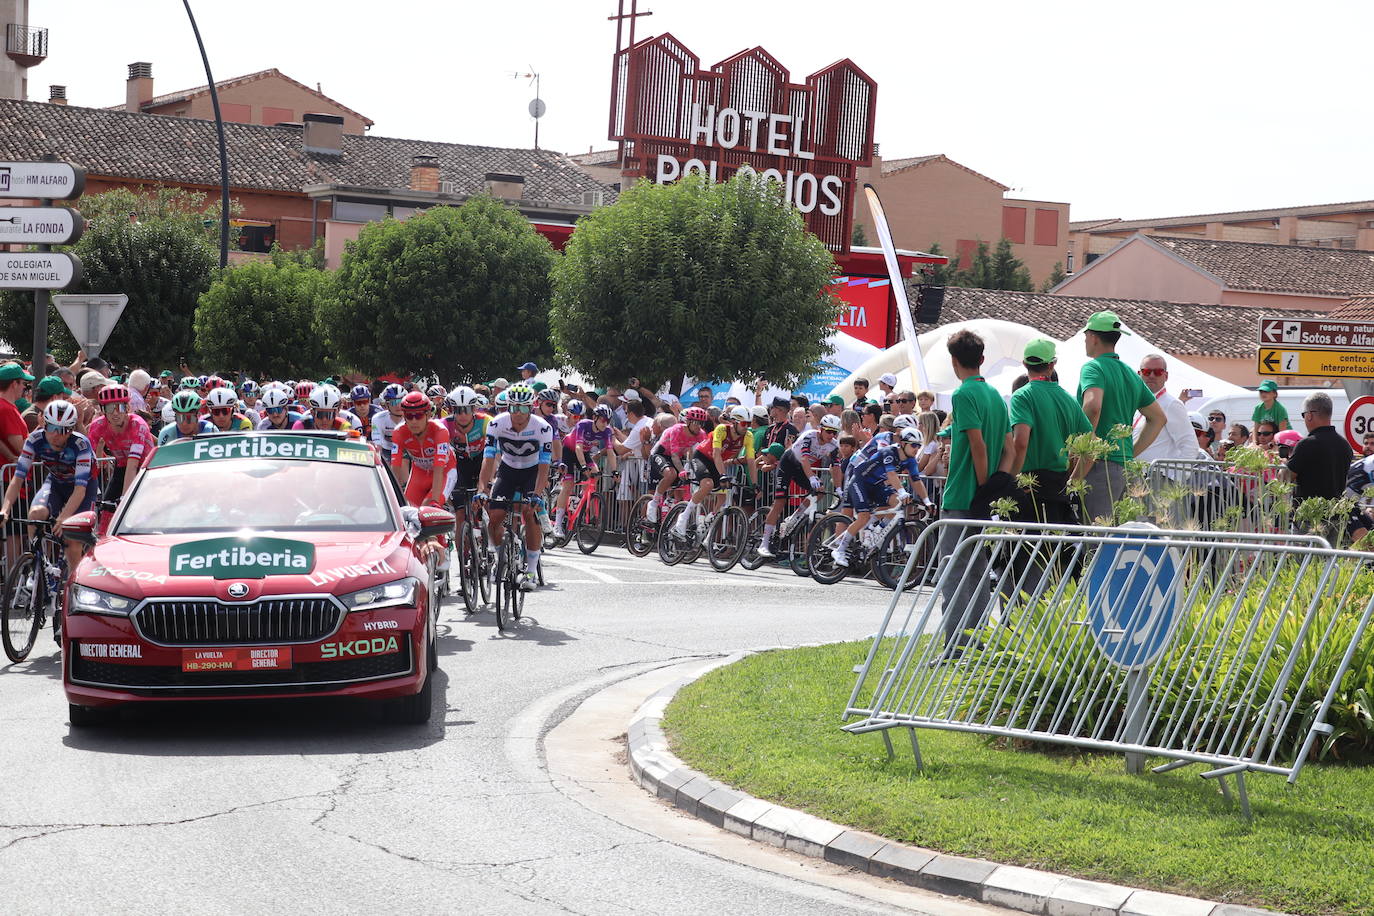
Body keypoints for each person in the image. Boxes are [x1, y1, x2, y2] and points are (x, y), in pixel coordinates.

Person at [936, 329, 1010, 658]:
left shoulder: (963, 395)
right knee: (978, 570)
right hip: (983, 497)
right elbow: (1008, 448)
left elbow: (977, 444)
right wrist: (998, 482)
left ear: (954, 361)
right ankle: (976, 642)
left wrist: (983, 486)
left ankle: (955, 646)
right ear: (982, 360)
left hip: (962, 496)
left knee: (953, 570)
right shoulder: (995, 395)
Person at [1076, 311, 1165, 523]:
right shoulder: (1129, 373)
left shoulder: (1093, 367)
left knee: (1096, 543)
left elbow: (1093, 405)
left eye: (1085, 335)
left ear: (1093, 337)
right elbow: (1158, 418)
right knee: (1120, 543)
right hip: (1126, 467)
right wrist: (1130, 451)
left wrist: (1086, 448)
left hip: (1099, 466)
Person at [0, 399, 98, 579]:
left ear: (71, 430)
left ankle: (74, 585)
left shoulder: (80, 445)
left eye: (63, 430)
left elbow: (80, 490)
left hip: (82, 488)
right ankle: (38, 565)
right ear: (44, 423)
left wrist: (63, 518)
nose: (56, 434)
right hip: (56, 482)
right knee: (35, 513)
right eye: (52, 427)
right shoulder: (35, 439)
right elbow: (17, 479)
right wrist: (5, 509)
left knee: (71, 540)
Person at [999, 339, 1092, 525]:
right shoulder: (1069, 399)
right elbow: (1092, 449)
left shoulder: (1022, 396)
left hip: (1028, 483)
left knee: (1026, 550)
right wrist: (1072, 483)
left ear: (1025, 364)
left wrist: (1010, 481)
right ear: (1052, 364)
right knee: (1053, 550)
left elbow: (1021, 441)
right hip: (1059, 484)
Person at [477, 384, 553, 591]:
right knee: (494, 517)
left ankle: (530, 570)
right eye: (514, 408)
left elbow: (545, 466)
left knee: (529, 513)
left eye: (524, 408)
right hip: (508, 471)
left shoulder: (543, 427)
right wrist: (482, 489)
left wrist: (537, 494)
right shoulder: (496, 424)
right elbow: (489, 459)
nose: (518, 413)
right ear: (507, 406)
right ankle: (502, 558)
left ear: (532, 407)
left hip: (532, 471)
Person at [832, 427, 929, 566]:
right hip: (860, 482)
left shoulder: (911, 461)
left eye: (919, 446)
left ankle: (874, 528)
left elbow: (916, 480)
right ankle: (840, 550)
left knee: (896, 503)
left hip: (876, 486)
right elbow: (891, 474)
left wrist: (927, 501)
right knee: (863, 516)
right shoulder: (889, 452)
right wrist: (902, 492)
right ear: (903, 443)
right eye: (913, 445)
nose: (916, 449)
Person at [758, 413, 842, 558]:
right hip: (789, 463)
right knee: (780, 502)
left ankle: (795, 517)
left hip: (802, 469)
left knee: (820, 492)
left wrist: (839, 488)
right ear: (821, 429)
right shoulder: (810, 436)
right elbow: (804, 459)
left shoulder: (834, 445)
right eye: (828, 431)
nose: (831, 435)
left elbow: (836, 467)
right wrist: (811, 478)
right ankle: (763, 544)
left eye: (834, 432)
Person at [1284, 392, 1352, 530]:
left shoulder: (1306, 445)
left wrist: (1284, 462)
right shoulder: (1345, 445)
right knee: (1330, 552)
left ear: (1309, 415)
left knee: (1302, 552)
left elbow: (1285, 477)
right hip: (1335, 518)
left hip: (1308, 516)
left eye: (1303, 415)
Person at [88, 383, 155, 501]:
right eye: (110, 408)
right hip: (122, 467)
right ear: (103, 410)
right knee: (107, 508)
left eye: (120, 407)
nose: (115, 413)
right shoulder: (97, 426)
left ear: (128, 408)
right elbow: (90, 460)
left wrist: (124, 497)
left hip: (145, 469)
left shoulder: (137, 424)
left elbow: (133, 464)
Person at [645, 406, 710, 522]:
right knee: (671, 474)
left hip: (677, 458)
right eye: (696, 423)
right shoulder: (677, 430)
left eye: (701, 423)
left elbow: (704, 453)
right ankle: (653, 503)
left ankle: (669, 520)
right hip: (660, 454)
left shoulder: (701, 433)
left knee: (681, 486)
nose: (699, 426)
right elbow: (674, 456)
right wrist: (682, 471)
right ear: (688, 422)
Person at [392, 391, 453, 510]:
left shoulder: (440, 431)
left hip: (444, 471)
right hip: (419, 472)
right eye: (409, 416)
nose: (414, 421)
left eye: (418, 415)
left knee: (427, 508)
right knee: (406, 509)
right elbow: (395, 468)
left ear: (428, 414)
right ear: (404, 417)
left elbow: (439, 469)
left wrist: (435, 501)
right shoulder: (399, 432)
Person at [0, 362, 33, 465]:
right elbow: (22, 448)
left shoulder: (7, 407)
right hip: (11, 476)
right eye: (24, 383)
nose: (25, 387)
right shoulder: (6, 409)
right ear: (14, 384)